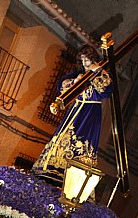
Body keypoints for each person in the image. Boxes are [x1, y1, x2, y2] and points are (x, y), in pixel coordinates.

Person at [32, 45, 113, 183]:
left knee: (81, 142)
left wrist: (96, 71)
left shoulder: (100, 72)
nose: (84, 64)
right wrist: (75, 81)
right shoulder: (78, 73)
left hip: (90, 113)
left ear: (93, 60)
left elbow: (107, 89)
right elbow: (61, 86)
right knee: (62, 138)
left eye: (87, 60)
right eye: (82, 61)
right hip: (75, 110)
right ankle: (52, 167)